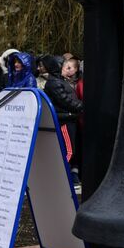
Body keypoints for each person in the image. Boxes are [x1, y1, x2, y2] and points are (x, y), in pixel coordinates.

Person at [42, 56, 84, 186]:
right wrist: (82, 106)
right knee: (69, 151)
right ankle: (59, 176)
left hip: (70, 118)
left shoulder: (60, 81)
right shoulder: (55, 83)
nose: (67, 69)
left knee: (71, 149)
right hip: (64, 120)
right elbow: (65, 100)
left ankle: (62, 176)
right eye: (64, 66)